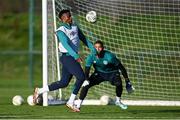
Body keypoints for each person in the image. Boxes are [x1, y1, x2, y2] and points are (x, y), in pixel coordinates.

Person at [33, 9, 96, 112]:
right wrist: (75, 55)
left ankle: (39, 90)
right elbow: (65, 44)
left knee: (64, 82)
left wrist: (93, 49)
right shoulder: (60, 30)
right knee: (81, 77)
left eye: (70, 15)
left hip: (72, 57)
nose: (71, 17)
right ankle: (71, 102)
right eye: (68, 16)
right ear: (63, 19)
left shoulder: (75, 27)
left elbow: (84, 39)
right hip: (67, 57)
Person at [76, 40, 134, 111]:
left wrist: (127, 81)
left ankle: (118, 101)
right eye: (96, 47)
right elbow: (87, 69)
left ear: (103, 48)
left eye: (99, 47)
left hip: (112, 72)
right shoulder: (91, 56)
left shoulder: (110, 56)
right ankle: (78, 105)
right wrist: (86, 79)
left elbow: (121, 68)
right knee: (86, 85)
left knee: (118, 84)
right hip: (99, 73)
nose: (97, 49)